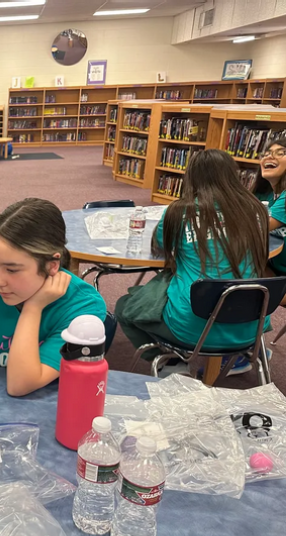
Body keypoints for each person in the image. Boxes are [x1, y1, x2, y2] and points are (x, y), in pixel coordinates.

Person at [116, 150, 270, 375]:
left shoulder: (180, 211)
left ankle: (173, 364)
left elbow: (160, 245)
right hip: (252, 329)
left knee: (124, 307)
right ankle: (238, 356)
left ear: (191, 177)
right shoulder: (257, 210)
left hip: (192, 328)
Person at [0, 198, 106, 397]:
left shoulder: (83, 307)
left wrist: (33, 308)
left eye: (12, 270)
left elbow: (20, 385)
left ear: (52, 265)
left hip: (54, 404)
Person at [256, 136, 286, 276]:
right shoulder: (264, 194)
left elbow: (258, 225)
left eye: (280, 153)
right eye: (266, 153)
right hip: (272, 267)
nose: (269, 157)